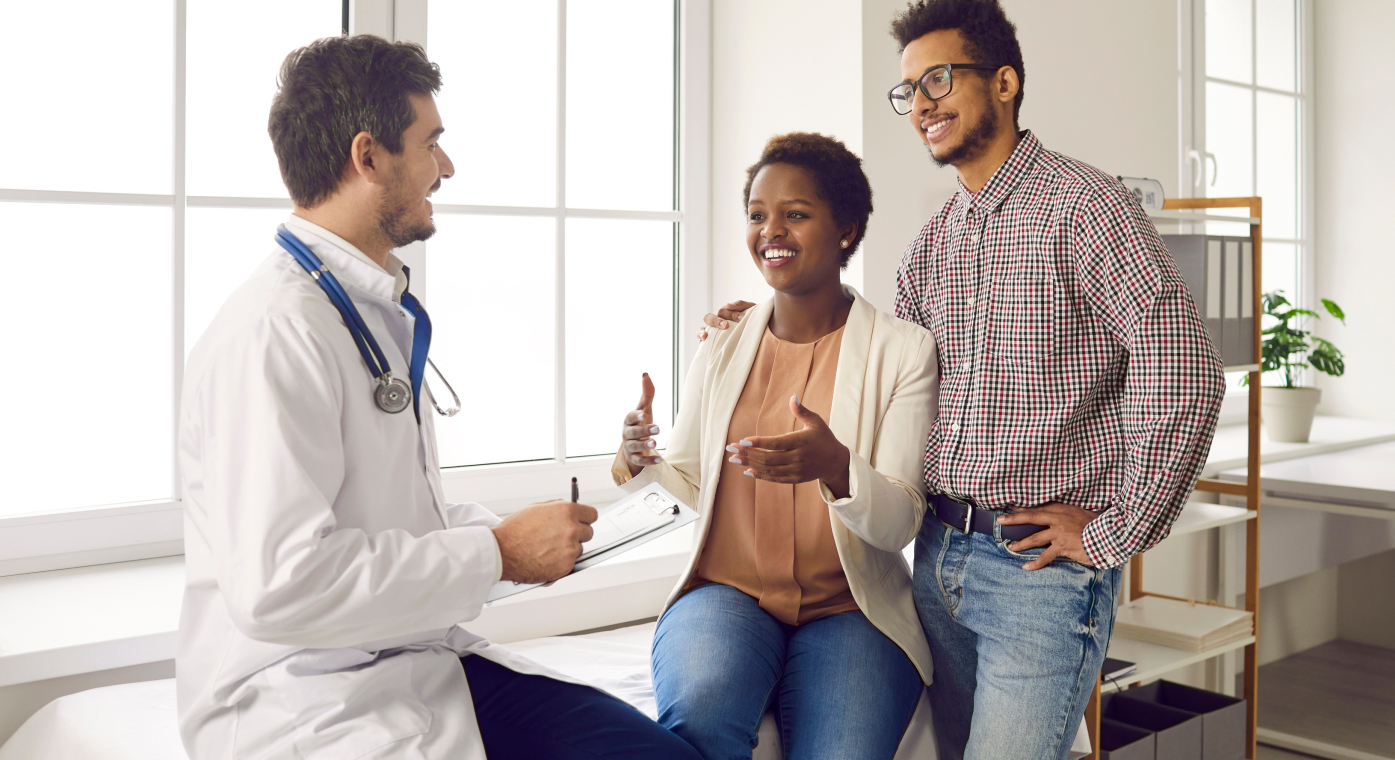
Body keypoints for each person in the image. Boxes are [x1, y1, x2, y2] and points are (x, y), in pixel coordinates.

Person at [701, 2, 1226, 759]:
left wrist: (1115, 532)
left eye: (939, 80)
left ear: (1005, 82)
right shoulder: (936, 239)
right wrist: (756, 324)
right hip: (938, 559)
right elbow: (877, 359)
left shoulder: (1087, 207)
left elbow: (1185, 369)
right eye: (909, 90)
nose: (921, 105)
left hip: (1036, 574)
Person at [175, 35, 699, 760]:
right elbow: (279, 588)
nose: (445, 167)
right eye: (432, 143)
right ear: (368, 157)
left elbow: (391, 516)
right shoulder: (273, 334)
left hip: (410, 662)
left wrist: (521, 538)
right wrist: (496, 554)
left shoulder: (361, 307)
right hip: (306, 696)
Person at [615, 133, 937, 760]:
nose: (771, 230)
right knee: (702, 725)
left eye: (795, 213)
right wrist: (637, 458)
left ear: (846, 229)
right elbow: (685, 483)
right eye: (757, 215)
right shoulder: (722, 344)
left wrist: (836, 467)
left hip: (851, 608)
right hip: (724, 593)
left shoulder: (904, 351)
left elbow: (900, 522)